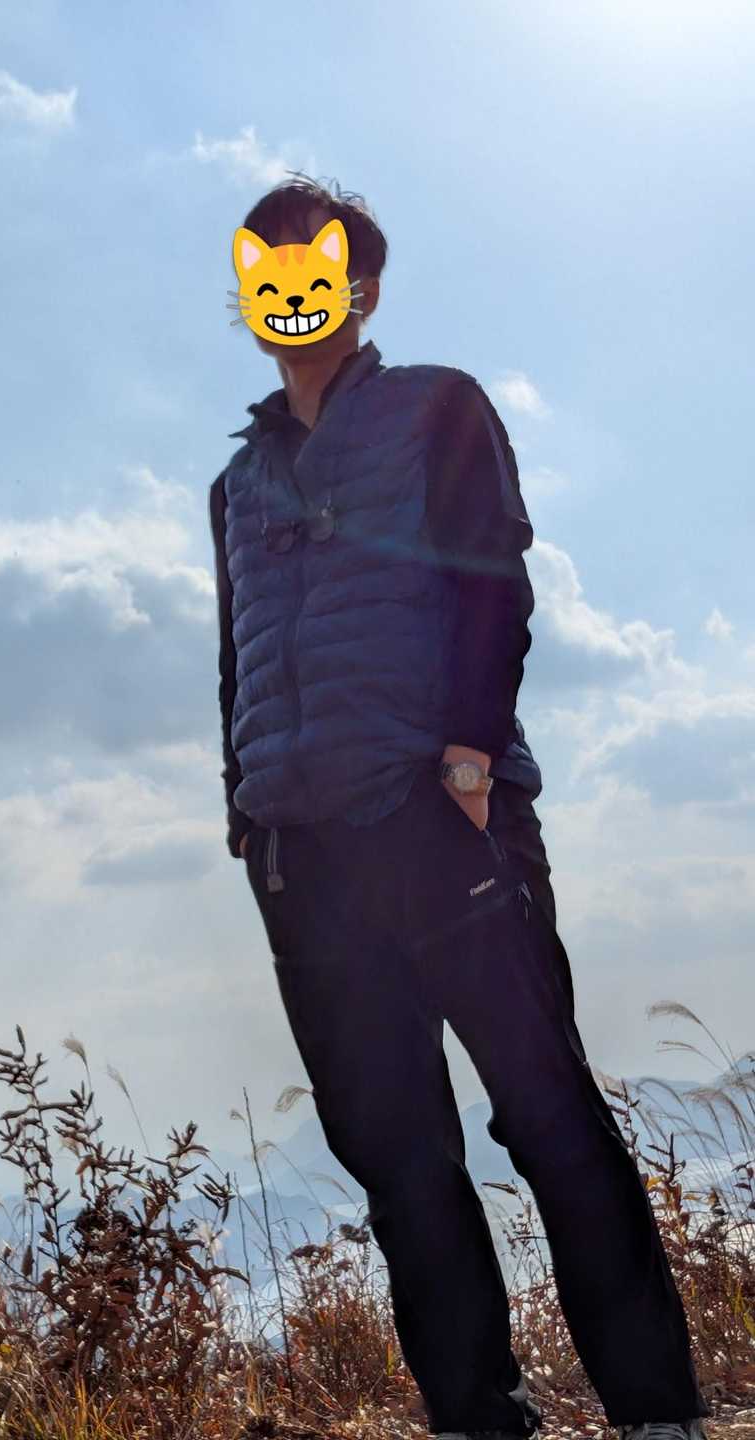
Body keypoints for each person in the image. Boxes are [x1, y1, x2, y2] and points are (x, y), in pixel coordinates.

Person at [209, 173, 710, 1440]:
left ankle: (657, 1412)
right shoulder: (237, 484)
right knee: (399, 1162)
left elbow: (494, 582)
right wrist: (245, 813)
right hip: (306, 856)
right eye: (266, 272)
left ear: (362, 289)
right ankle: (477, 1417)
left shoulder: (438, 409)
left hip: (440, 817)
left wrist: (473, 764)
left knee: (547, 1116)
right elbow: (236, 652)